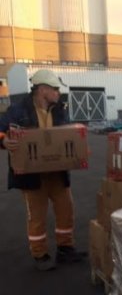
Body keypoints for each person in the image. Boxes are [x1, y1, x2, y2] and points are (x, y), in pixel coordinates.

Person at [0, 69, 86, 271]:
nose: (58, 92)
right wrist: (4, 141)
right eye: (55, 89)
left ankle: (66, 249)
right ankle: (40, 254)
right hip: (31, 175)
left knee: (66, 209)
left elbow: (65, 134)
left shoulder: (58, 109)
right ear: (43, 89)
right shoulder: (18, 110)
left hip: (56, 172)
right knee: (36, 216)